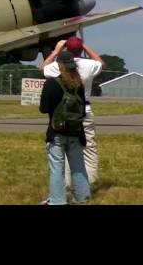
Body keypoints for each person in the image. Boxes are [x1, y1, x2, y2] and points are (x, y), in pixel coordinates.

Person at [41, 36, 103, 189]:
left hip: (64, 110)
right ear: (81, 50)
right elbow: (100, 62)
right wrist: (85, 46)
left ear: (67, 50)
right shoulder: (89, 65)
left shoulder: (59, 65)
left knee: (65, 147)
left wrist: (56, 50)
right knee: (88, 147)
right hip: (84, 108)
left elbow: (43, 67)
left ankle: (67, 183)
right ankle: (91, 181)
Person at [39, 51, 91, 205]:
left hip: (57, 131)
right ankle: (83, 197)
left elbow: (43, 108)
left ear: (59, 65)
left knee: (57, 167)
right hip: (76, 131)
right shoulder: (79, 84)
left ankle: (57, 200)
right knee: (78, 166)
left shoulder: (52, 83)